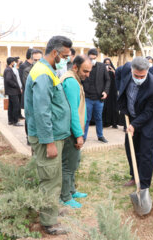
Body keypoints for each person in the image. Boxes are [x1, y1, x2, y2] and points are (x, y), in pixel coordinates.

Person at [24, 35, 72, 235]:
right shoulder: (42, 73)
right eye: (65, 55)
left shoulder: (47, 70)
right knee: (50, 179)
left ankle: (50, 211)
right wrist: (49, 142)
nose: (66, 59)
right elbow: (42, 111)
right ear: (55, 53)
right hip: (48, 138)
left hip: (55, 135)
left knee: (54, 177)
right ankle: (48, 223)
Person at [118, 57, 153, 189]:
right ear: (131, 70)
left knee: (146, 153)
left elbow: (149, 112)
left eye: (142, 76)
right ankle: (134, 175)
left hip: (149, 121)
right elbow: (118, 78)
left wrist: (134, 125)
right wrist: (124, 105)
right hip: (132, 116)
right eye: (136, 75)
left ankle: (144, 184)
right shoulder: (126, 69)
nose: (139, 78)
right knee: (130, 147)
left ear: (148, 71)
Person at [60, 55, 92, 208]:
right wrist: (78, 135)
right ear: (75, 67)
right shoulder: (71, 82)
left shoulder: (75, 80)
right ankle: (65, 197)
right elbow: (72, 111)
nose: (88, 75)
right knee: (68, 164)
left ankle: (71, 190)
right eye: (85, 71)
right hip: (70, 132)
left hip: (73, 129)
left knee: (74, 162)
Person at [82, 48, 111, 143]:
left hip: (99, 98)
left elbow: (108, 80)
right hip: (87, 98)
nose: (92, 60)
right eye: (90, 58)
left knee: (99, 118)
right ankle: (84, 136)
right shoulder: (83, 67)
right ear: (87, 57)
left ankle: (100, 135)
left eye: (94, 58)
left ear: (97, 57)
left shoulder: (102, 66)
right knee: (86, 119)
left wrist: (105, 91)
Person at [21, 49, 43, 145]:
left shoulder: (45, 70)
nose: (37, 62)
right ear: (31, 59)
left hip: (42, 100)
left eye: (39, 60)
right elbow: (28, 86)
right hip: (31, 99)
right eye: (35, 60)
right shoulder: (27, 71)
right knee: (29, 119)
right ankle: (29, 137)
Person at [4, 57, 22, 126]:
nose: (14, 63)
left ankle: (10, 120)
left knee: (11, 106)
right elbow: (8, 80)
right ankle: (15, 121)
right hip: (12, 91)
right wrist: (15, 85)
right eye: (13, 62)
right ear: (11, 62)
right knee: (15, 105)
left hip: (11, 91)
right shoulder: (8, 70)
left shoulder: (8, 69)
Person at [102, 58, 119, 128]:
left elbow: (117, 78)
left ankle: (114, 123)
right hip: (105, 91)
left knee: (114, 107)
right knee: (105, 107)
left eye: (109, 63)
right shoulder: (102, 70)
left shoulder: (113, 70)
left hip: (113, 91)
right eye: (106, 63)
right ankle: (105, 122)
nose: (107, 64)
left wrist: (113, 71)